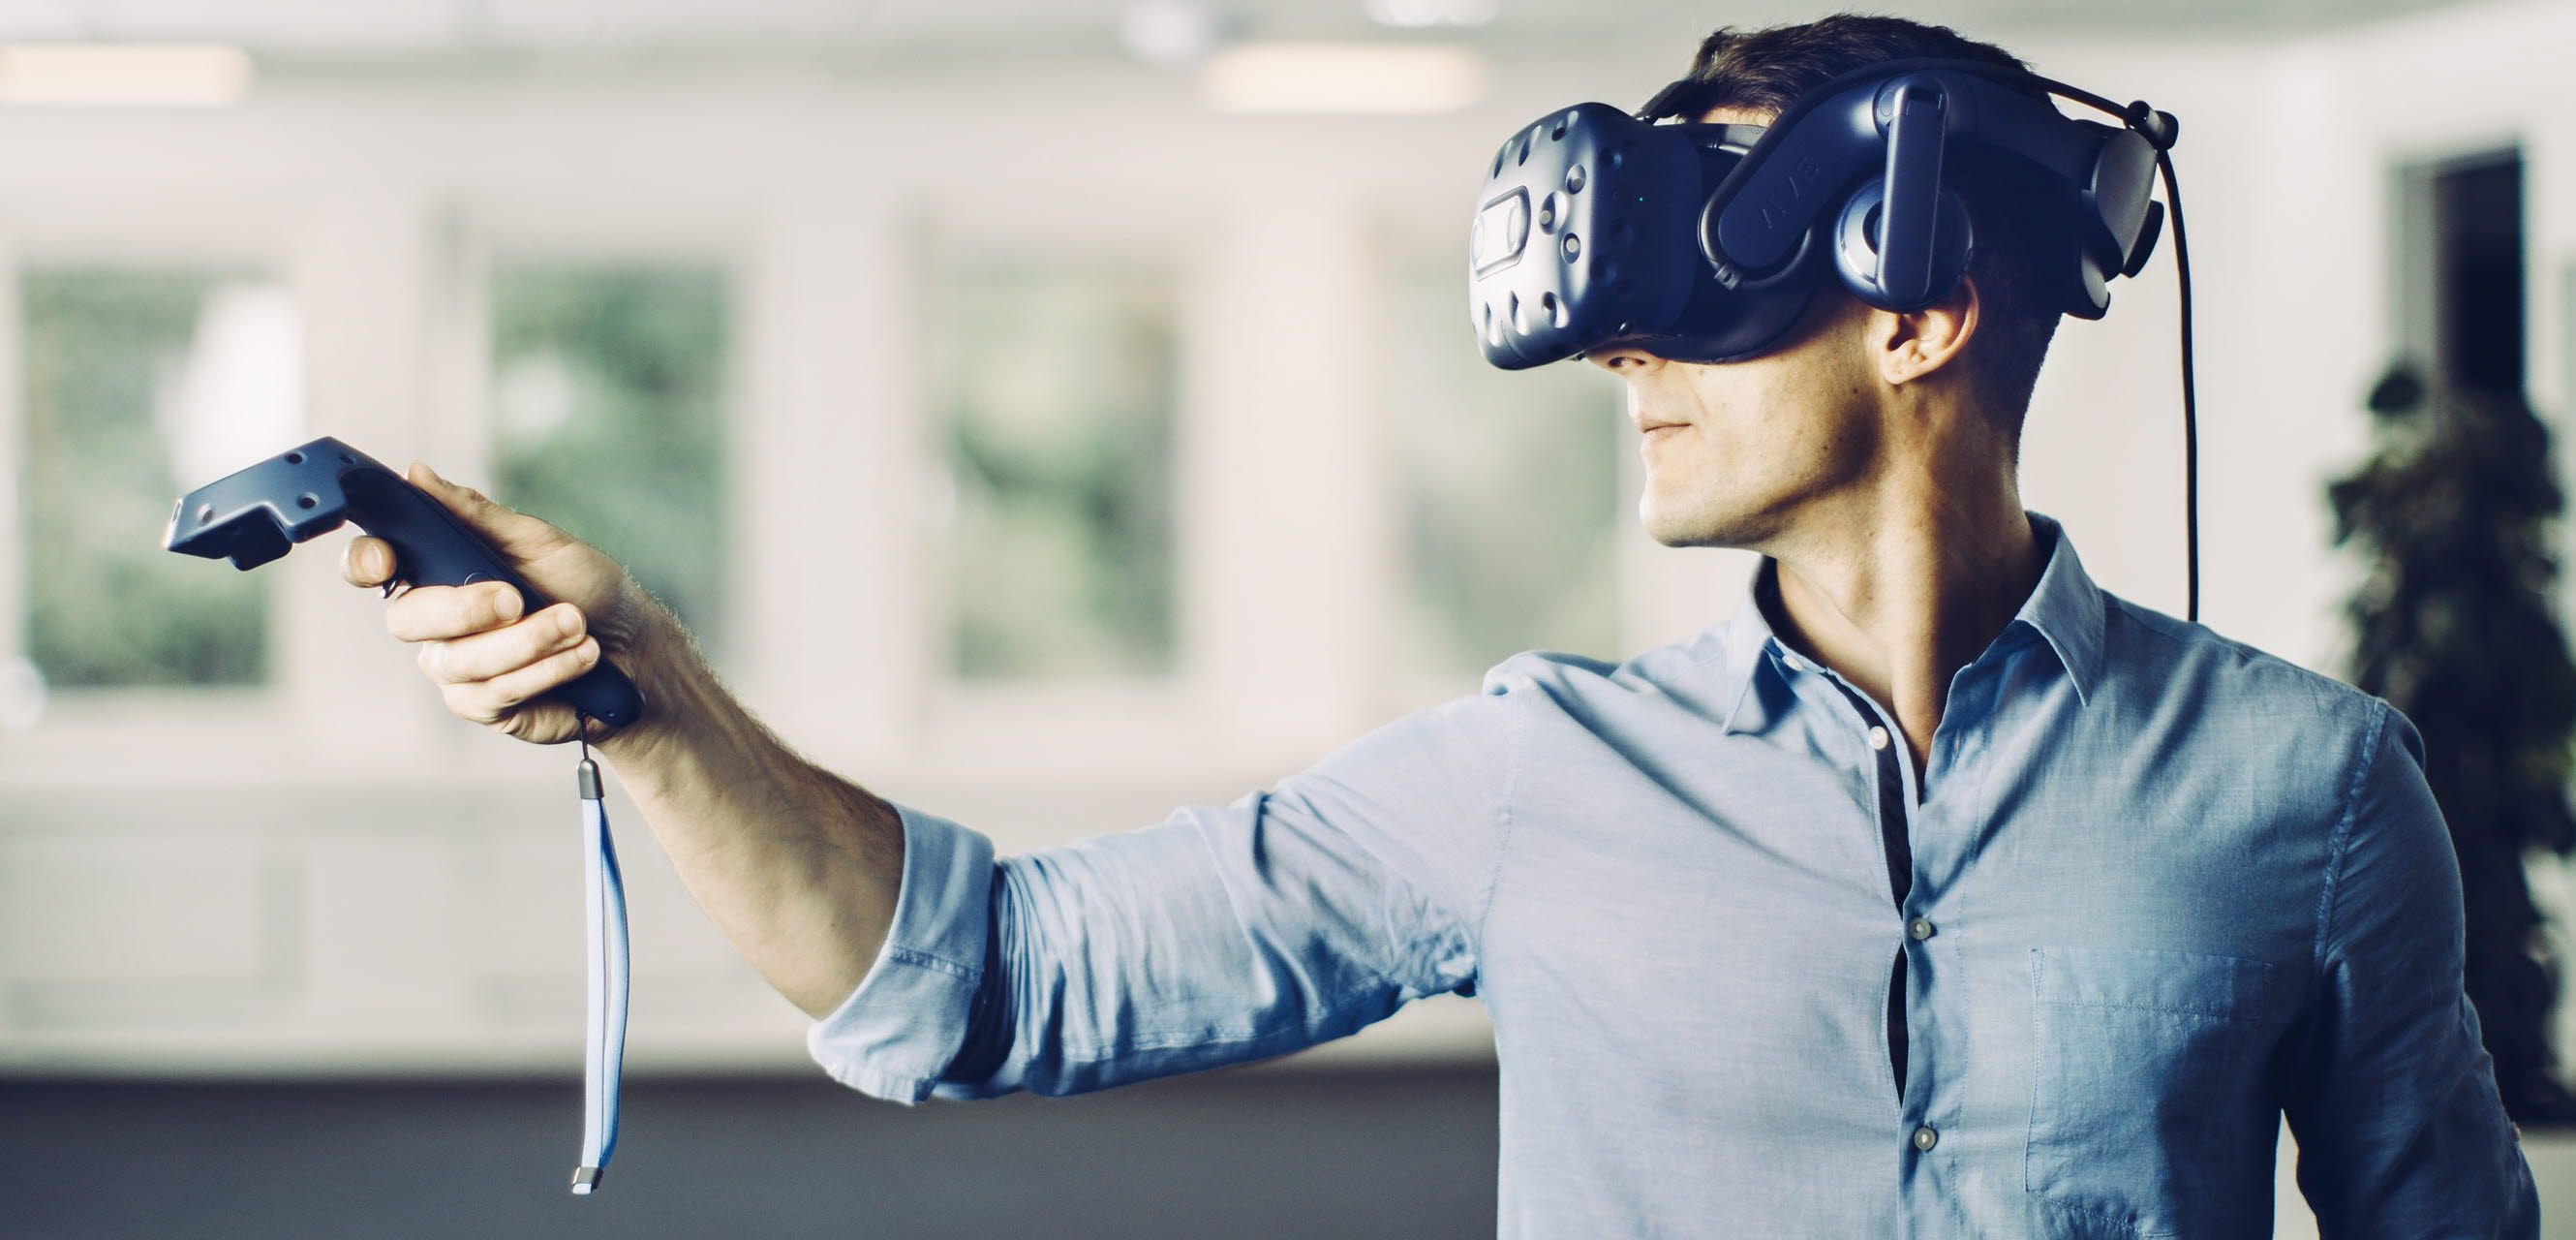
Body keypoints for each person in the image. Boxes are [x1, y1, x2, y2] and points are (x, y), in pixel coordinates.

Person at [342, 14, 2538, 1237]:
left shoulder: (2307, 792)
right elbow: (976, 985)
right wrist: (646, 701)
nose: (1623, 361)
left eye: (1690, 292)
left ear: (1924, 307)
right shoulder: (1538, 772)